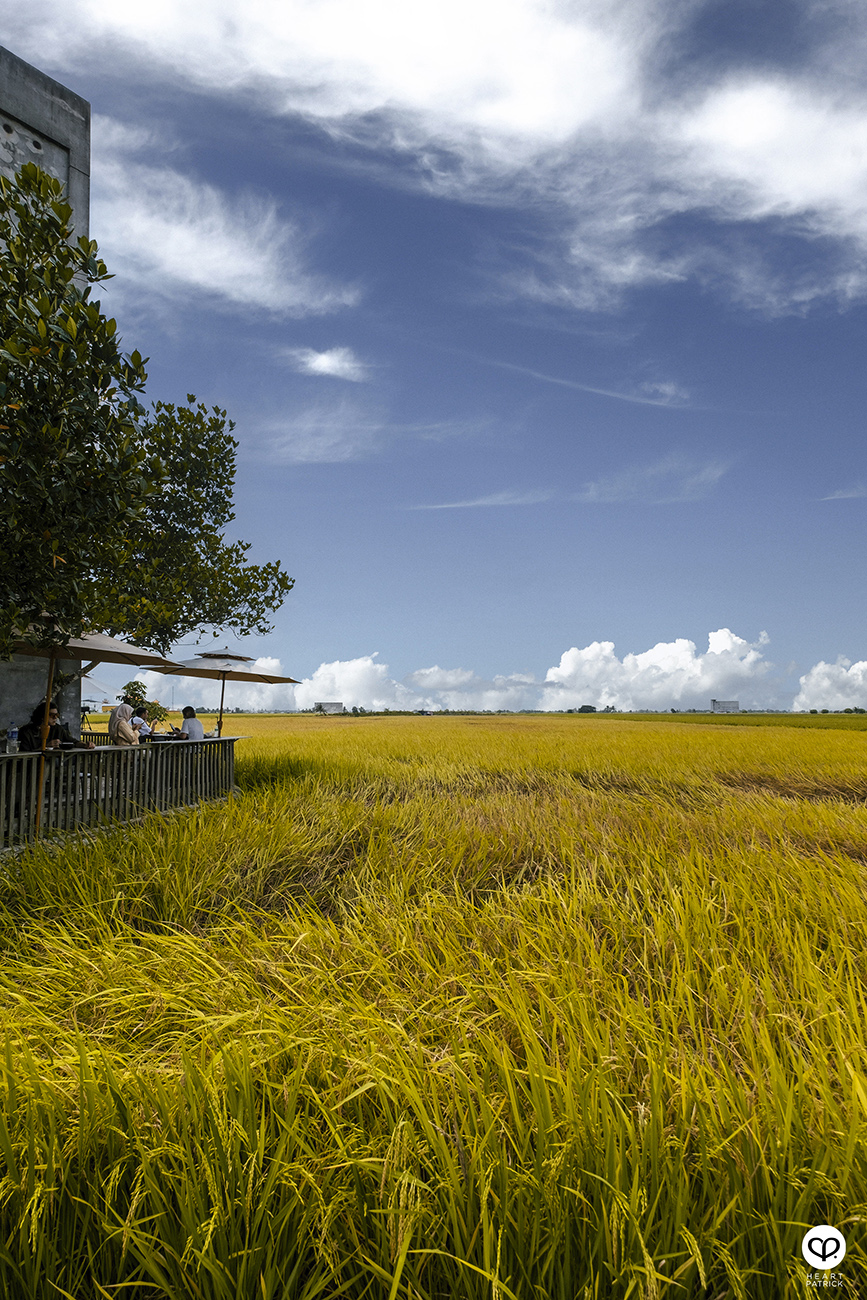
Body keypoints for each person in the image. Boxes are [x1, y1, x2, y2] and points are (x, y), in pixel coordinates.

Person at [18, 702, 95, 752]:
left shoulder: (57, 729)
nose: (55, 718)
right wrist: (45, 747)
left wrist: (85, 745)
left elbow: (73, 742)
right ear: (42, 716)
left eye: (57, 715)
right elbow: (23, 752)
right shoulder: (27, 731)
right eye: (52, 715)